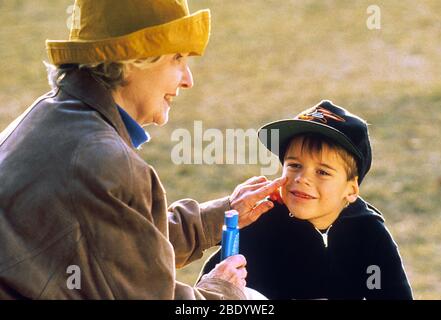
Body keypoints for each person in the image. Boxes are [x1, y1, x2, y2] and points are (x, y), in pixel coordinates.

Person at [0, 0, 286, 299]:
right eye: (177, 58)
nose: (188, 80)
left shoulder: (50, 114)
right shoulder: (104, 159)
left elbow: (118, 251)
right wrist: (222, 292)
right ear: (134, 59)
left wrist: (215, 219)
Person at [200, 100, 413, 299]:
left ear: (351, 189)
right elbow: (211, 287)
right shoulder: (260, 227)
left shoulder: (369, 235)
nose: (302, 179)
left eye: (322, 172)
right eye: (294, 165)